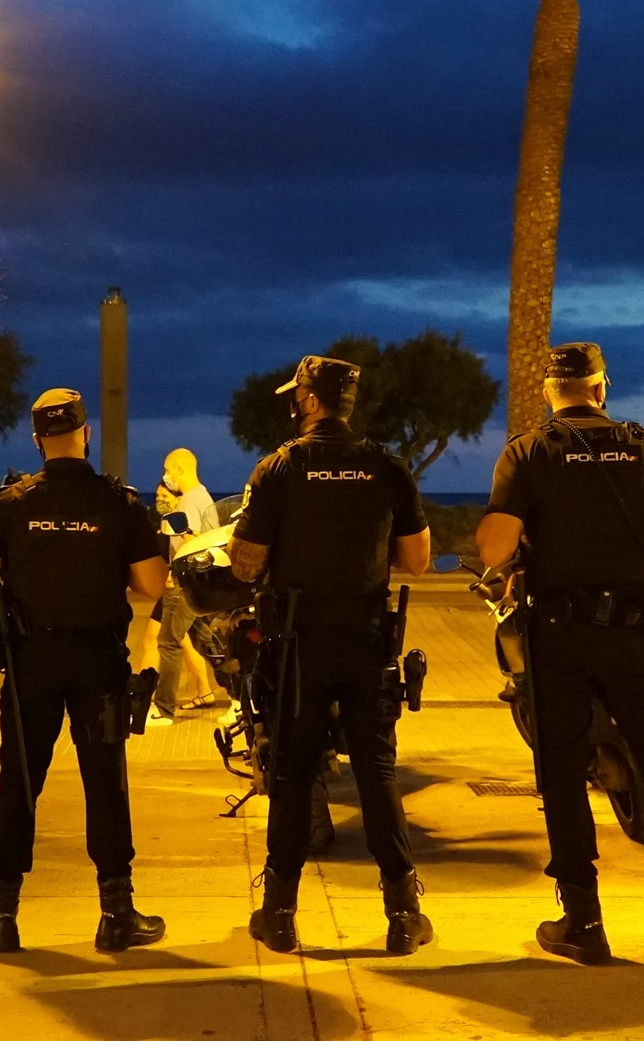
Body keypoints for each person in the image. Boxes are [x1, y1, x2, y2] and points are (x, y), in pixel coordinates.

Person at [473, 342, 644, 964]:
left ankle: (583, 922)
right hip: (635, 635)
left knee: (562, 775)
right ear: (601, 387)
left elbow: (494, 548)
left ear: (549, 391)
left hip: (559, 640)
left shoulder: (528, 452)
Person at [230, 356, 434, 955]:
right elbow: (418, 560)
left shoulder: (280, 468)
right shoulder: (386, 466)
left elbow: (246, 561)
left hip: (298, 649)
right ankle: (402, 914)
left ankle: (280, 914)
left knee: (291, 774)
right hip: (367, 640)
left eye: (298, 396)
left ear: (311, 402)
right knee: (377, 772)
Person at [0, 388, 170, 953]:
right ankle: (116, 914)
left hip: (29, 661)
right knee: (105, 783)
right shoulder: (120, 504)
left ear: (36, 441)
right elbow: (152, 585)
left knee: (20, 782)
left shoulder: (12, 503)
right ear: (87, 434)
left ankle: (2, 914)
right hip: (98, 663)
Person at [148, 447, 223, 722]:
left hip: (185, 584)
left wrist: (177, 568)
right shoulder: (203, 497)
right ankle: (240, 694)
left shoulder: (189, 502)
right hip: (200, 583)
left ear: (180, 469)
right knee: (209, 644)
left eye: (167, 470)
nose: (165, 476)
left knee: (168, 641)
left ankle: (163, 709)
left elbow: (196, 541)